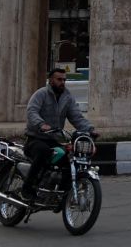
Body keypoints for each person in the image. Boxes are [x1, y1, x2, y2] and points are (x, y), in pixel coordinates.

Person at [20, 66, 93, 206]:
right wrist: (41, 124)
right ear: (51, 80)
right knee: (42, 152)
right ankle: (27, 189)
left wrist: (90, 129)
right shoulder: (40, 94)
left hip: (55, 140)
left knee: (71, 160)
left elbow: (76, 117)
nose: (62, 82)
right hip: (36, 138)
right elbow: (32, 112)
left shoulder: (67, 97)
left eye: (64, 80)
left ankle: (62, 193)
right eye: (59, 79)